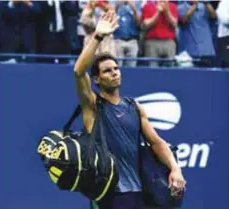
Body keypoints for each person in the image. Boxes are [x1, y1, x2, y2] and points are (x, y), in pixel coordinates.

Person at [74, 11, 186, 209]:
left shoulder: (134, 107)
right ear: (97, 79)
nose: (114, 73)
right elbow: (78, 71)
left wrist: (175, 168)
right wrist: (98, 36)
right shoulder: (93, 106)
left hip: (138, 192)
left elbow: (156, 142)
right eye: (107, 71)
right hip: (108, 194)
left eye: (116, 68)